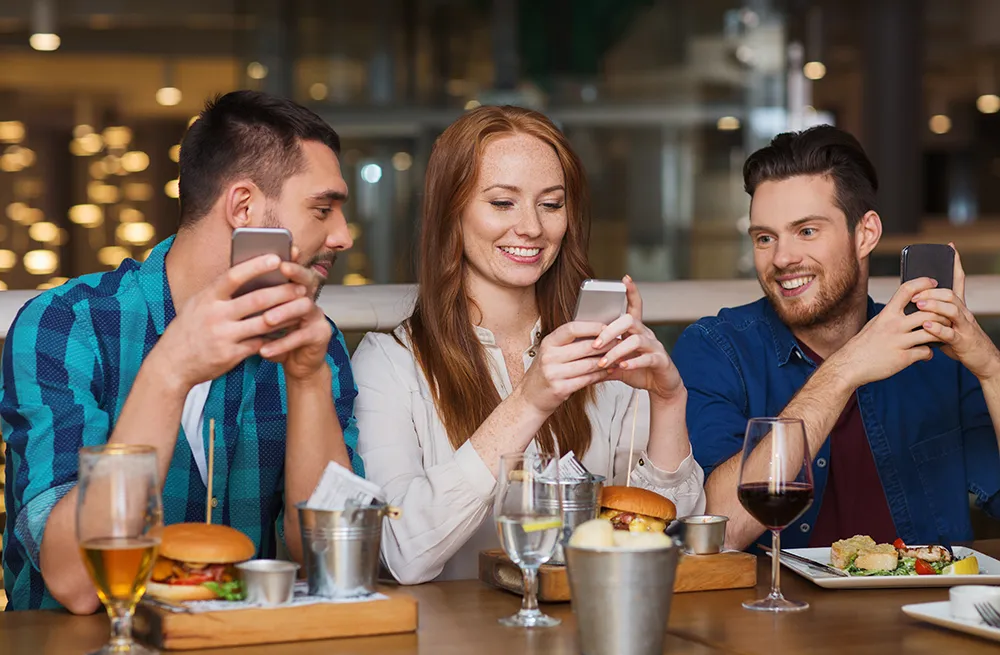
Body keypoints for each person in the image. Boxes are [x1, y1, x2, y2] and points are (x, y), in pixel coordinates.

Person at [0, 90, 362, 612]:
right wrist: (170, 372)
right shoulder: (66, 325)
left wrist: (308, 382)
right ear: (244, 207)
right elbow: (78, 582)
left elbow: (334, 567)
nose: (343, 236)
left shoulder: (314, 343)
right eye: (323, 209)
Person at [351, 105, 705, 585]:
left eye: (551, 204)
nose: (532, 228)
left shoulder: (598, 347)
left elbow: (669, 535)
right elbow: (400, 555)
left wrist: (667, 401)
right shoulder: (389, 363)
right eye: (502, 202)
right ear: (450, 213)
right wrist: (529, 401)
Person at [672, 125, 1000, 552]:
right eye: (765, 238)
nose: (782, 258)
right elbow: (720, 533)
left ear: (865, 234)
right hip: (775, 615)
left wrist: (991, 368)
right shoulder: (716, 348)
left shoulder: (939, 354)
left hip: (923, 611)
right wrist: (844, 371)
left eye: (806, 231)